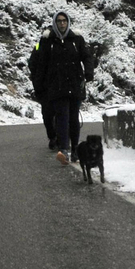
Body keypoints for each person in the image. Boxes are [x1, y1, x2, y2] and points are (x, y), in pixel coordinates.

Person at [32, 9, 94, 166]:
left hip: (75, 85)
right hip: (56, 86)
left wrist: (88, 72)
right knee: (62, 118)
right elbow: (41, 64)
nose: (61, 23)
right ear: (54, 23)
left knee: (73, 119)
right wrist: (38, 86)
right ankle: (64, 150)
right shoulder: (47, 41)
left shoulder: (77, 39)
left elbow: (87, 57)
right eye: (59, 21)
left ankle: (74, 151)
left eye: (64, 21)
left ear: (68, 22)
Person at [27, 23, 57, 149]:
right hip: (52, 85)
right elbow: (33, 62)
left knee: (48, 114)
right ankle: (59, 137)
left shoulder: (40, 44)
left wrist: (36, 79)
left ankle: (53, 137)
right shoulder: (59, 43)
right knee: (58, 113)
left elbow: (32, 62)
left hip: (44, 86)